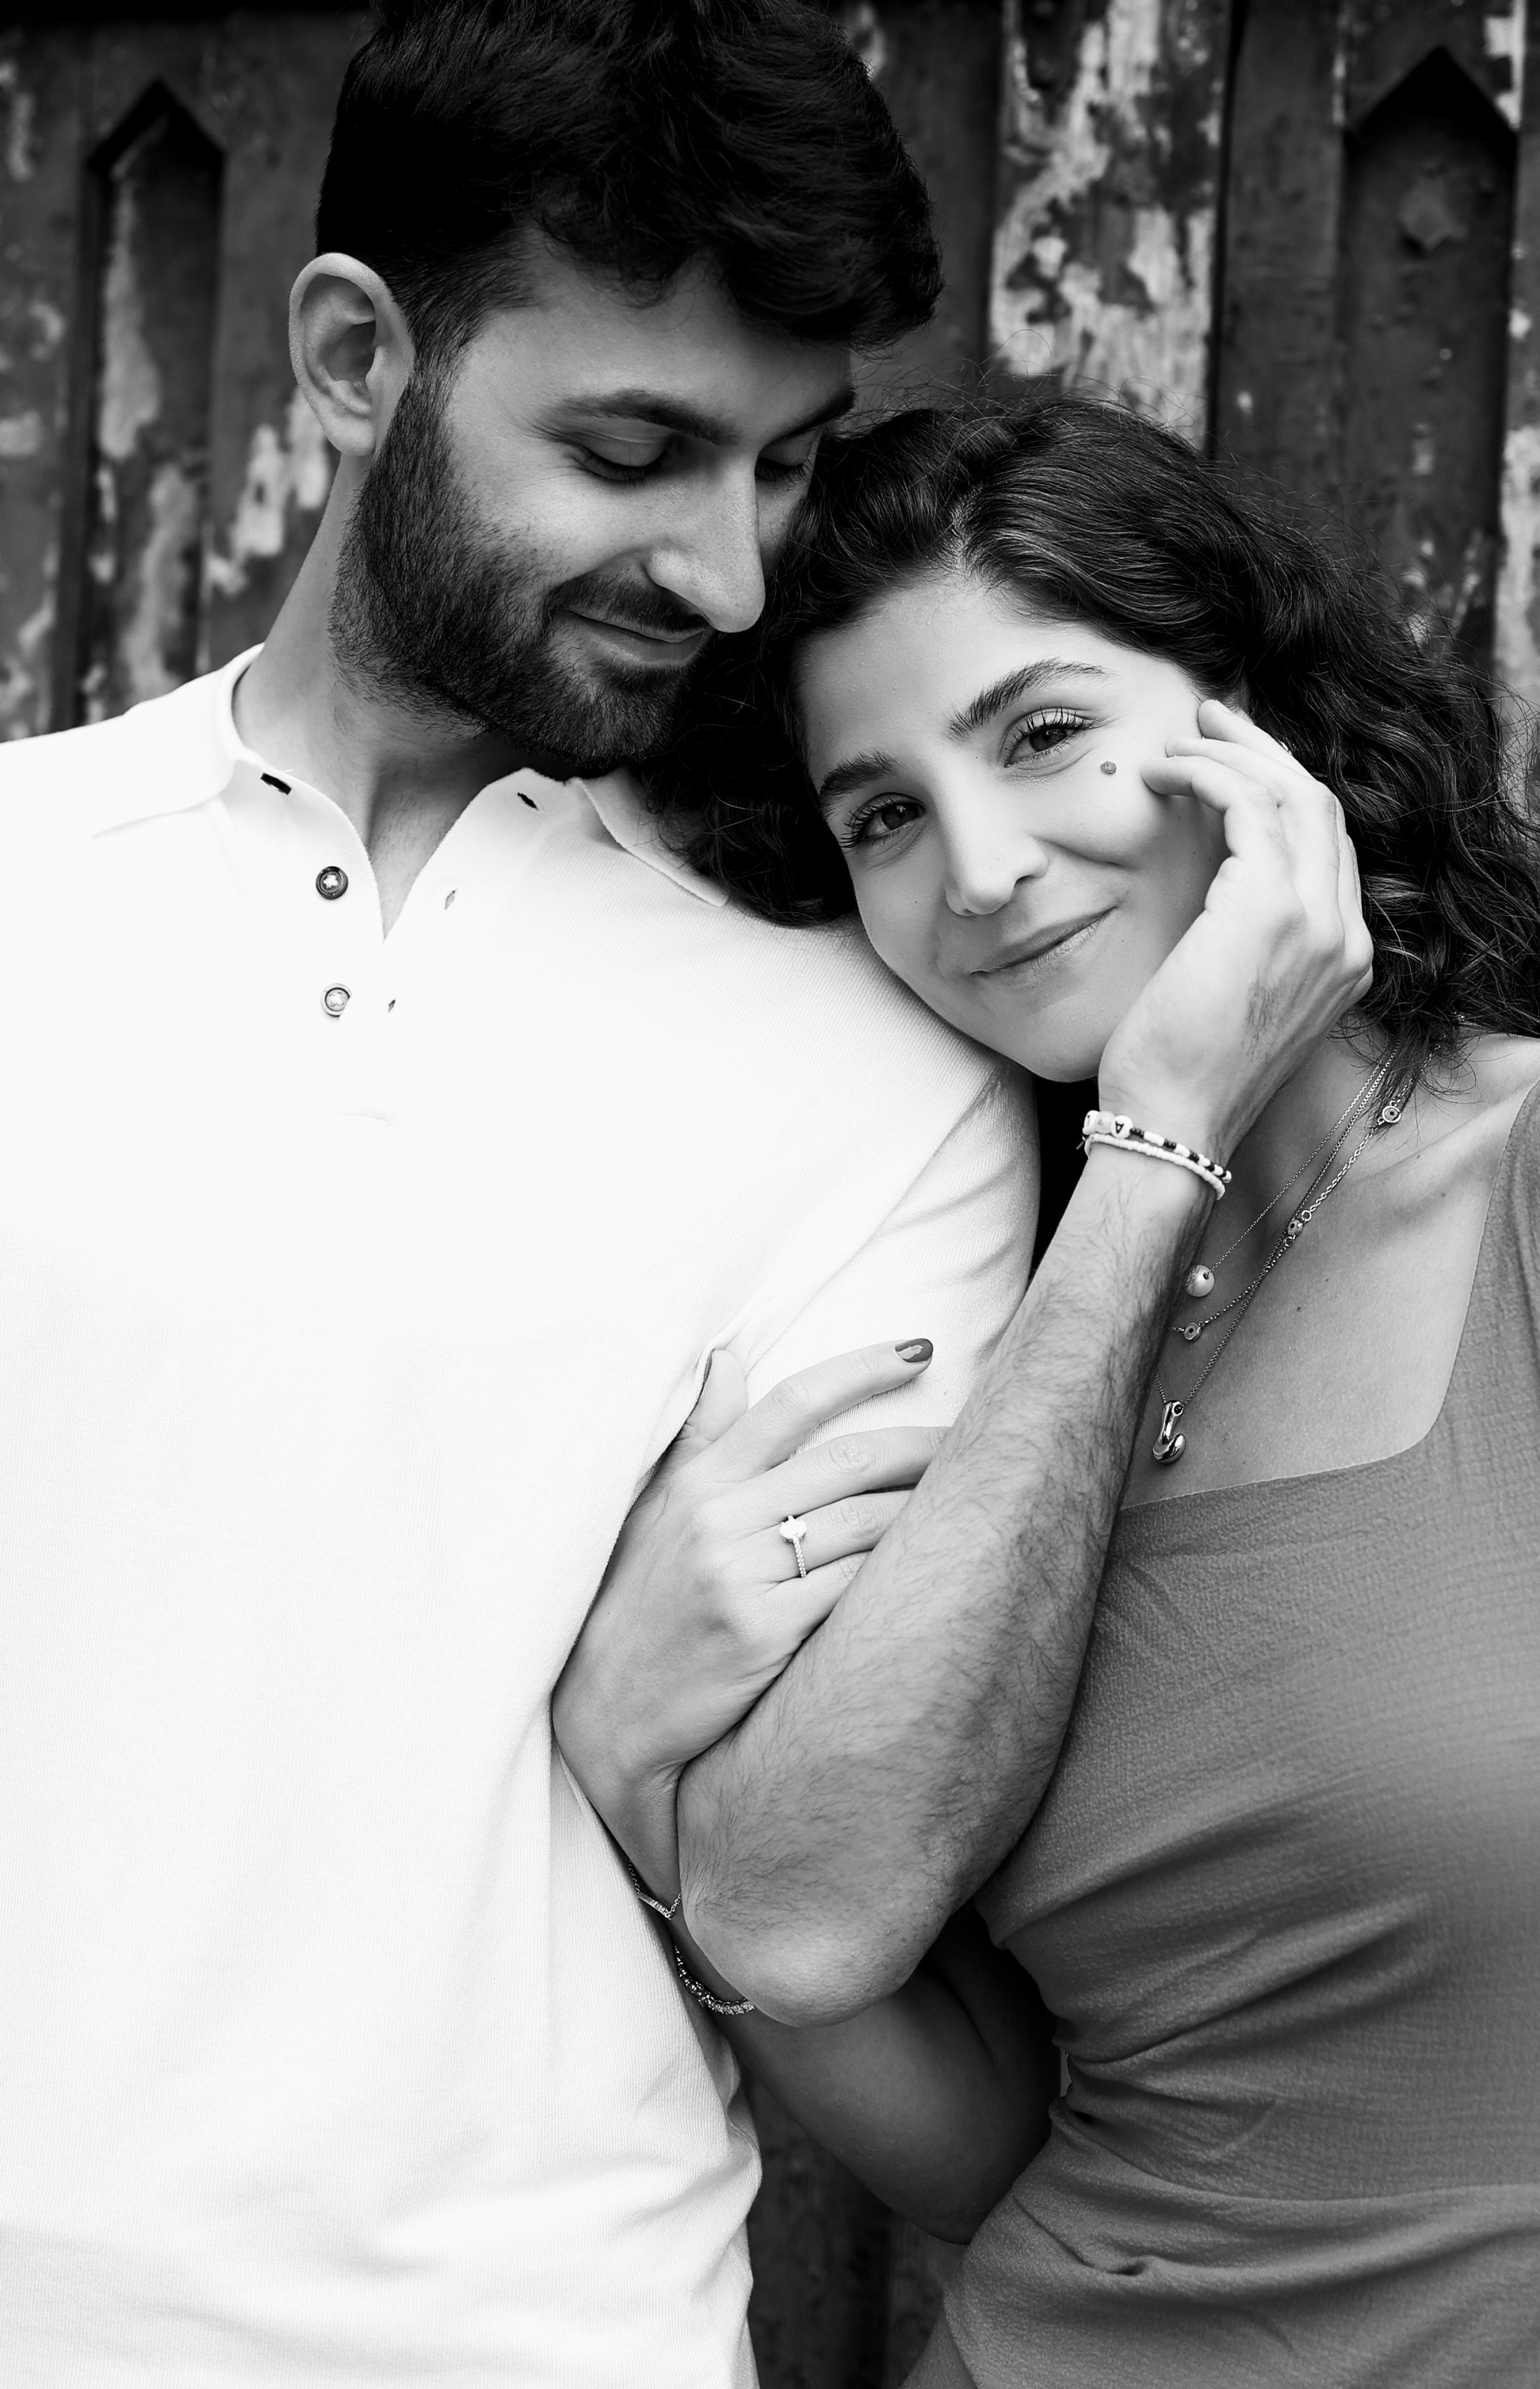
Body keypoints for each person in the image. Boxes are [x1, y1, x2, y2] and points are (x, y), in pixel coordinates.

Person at [0, 9, 1360, 2385]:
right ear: (358, 359)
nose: (730, 574)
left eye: (784, 464)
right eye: (632, 453)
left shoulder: (878, 1036)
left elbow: (841, 1862)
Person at [554, 395, 1540, 2387]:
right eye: (882, 815)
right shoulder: (1001, 1332)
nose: (980, 867)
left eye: (1040, 734)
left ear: (1256, 724)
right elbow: (963, 2115)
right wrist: (641, 1785)